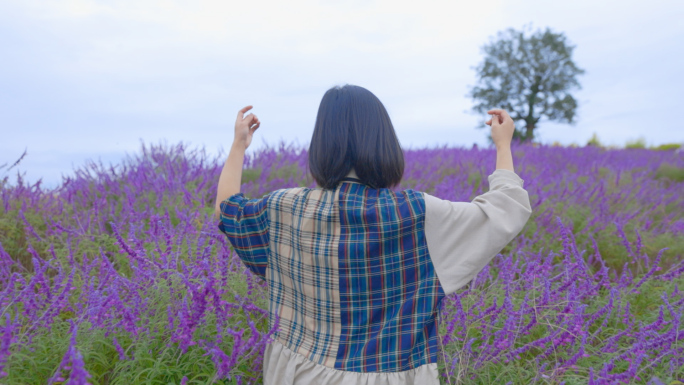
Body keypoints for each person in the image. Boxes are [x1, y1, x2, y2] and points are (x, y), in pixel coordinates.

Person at [214, 85, 532, 385]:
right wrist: (503, 145)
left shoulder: (284, 206)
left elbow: (227, 210)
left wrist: (239, 146)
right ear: (384, 142)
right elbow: (506, 209)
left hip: (298, 373)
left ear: (321, 145)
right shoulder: (416, 212)